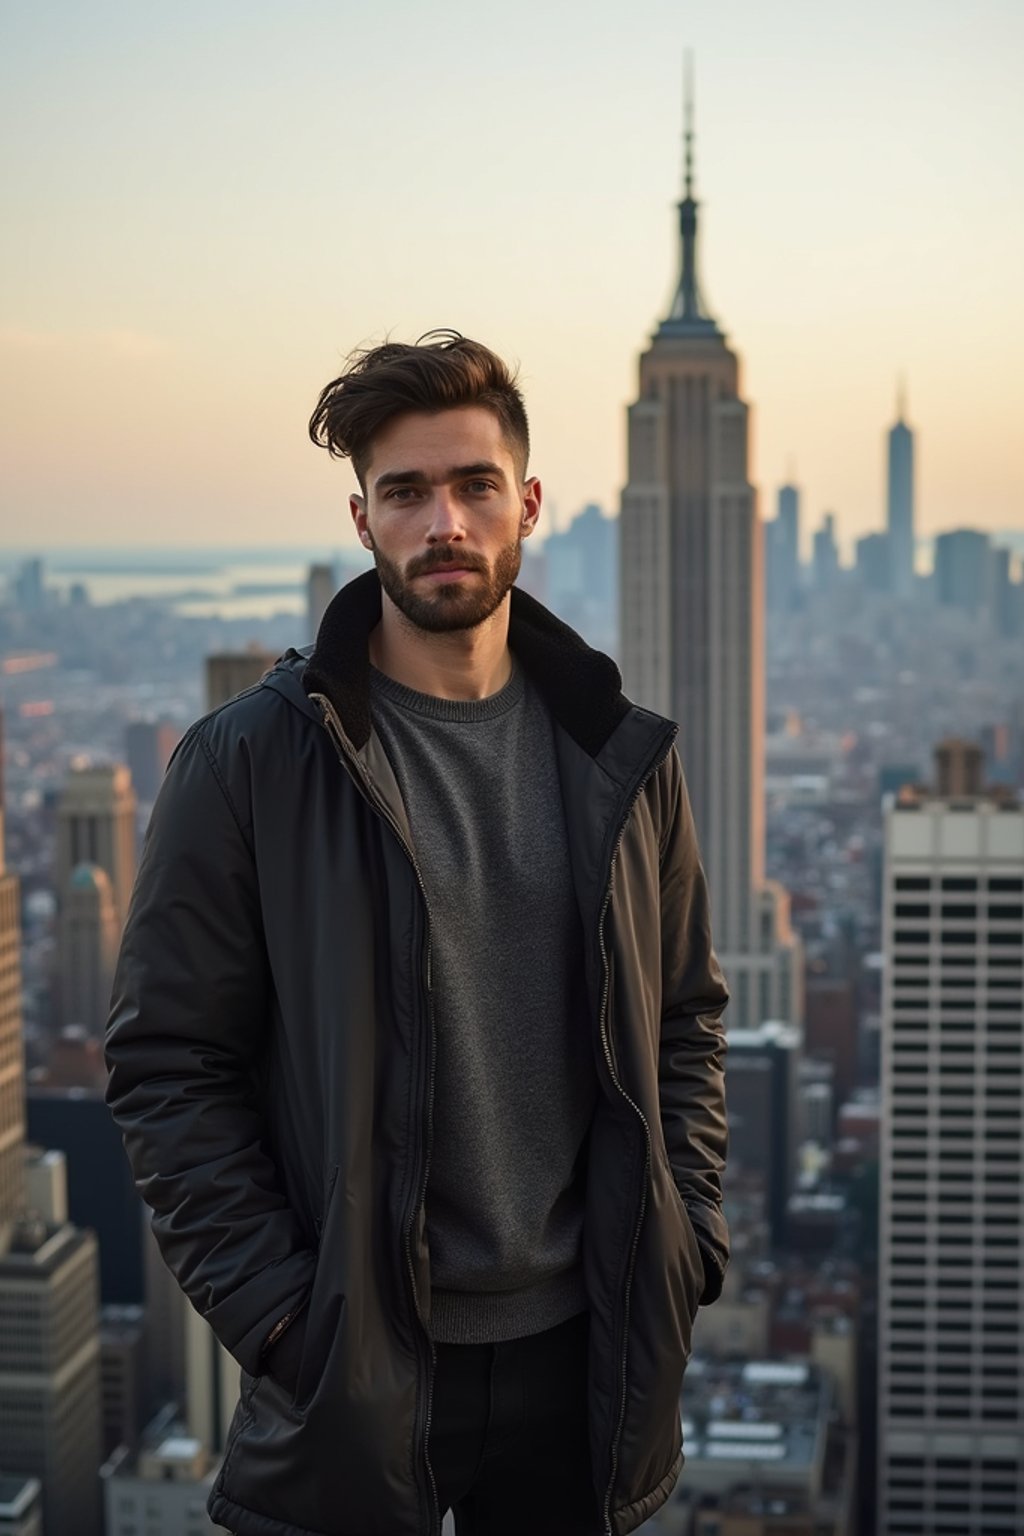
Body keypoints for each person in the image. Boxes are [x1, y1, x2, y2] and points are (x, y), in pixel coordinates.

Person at [105, 331, 730, 1536]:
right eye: (406, 492)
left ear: (528, 503)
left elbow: (685, 1020)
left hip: (581, 1349)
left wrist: (685, 1240)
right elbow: (165, 1062)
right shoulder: (249, 762)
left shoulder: (623, 755)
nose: (443, 520)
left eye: (473, 485)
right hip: (361, 1358)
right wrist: (285, 1319)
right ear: (363, 519)